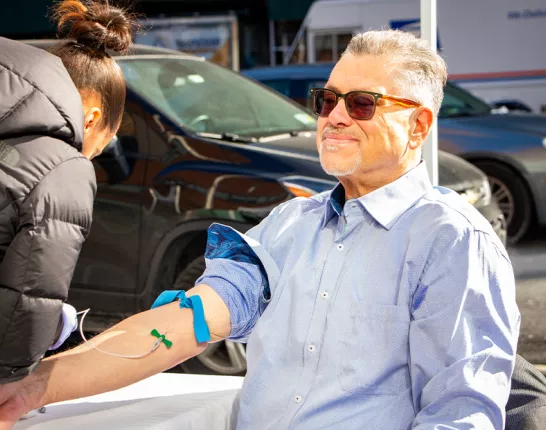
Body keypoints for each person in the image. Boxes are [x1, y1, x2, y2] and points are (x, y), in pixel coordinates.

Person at [0, 30, 521, 429]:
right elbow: (181, 327)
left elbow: (461, 411)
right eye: (327, 99)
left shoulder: (451, 241)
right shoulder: (289, 225)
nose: (336, 116)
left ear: (419, 126)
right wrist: (33, 388)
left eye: (362, 103)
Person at [0, 0, 133, 385]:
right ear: (91, 119)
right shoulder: (64, 165)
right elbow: (28, 305)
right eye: (100, 145)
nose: (90, 155)